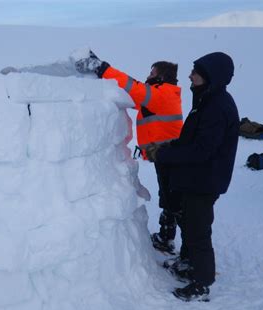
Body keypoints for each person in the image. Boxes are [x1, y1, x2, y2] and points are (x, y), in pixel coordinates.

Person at [145, 52, 240, 302]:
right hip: (197, 178)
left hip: (205, 180)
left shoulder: (217, 107)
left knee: (198, 232)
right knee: (189, 223)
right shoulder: (206, 101)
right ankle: (188, 264)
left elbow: (202, 151)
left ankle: (201, 284)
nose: (189, 75)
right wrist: (168, 147)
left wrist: (164, 155)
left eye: (195, 72)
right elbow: (192, 141)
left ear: (210, 77)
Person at [74, 50, 183, 255]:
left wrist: (103, 68)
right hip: (164, 155)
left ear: (161, 76)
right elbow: (132, 91)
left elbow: (133, 88)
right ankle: (166, 237)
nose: (148, 75)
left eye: (152, 72)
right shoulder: (159, 95)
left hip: (172, 157)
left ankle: (181, 245)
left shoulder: (163, 94)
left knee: (175, 201)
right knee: (169, 198)